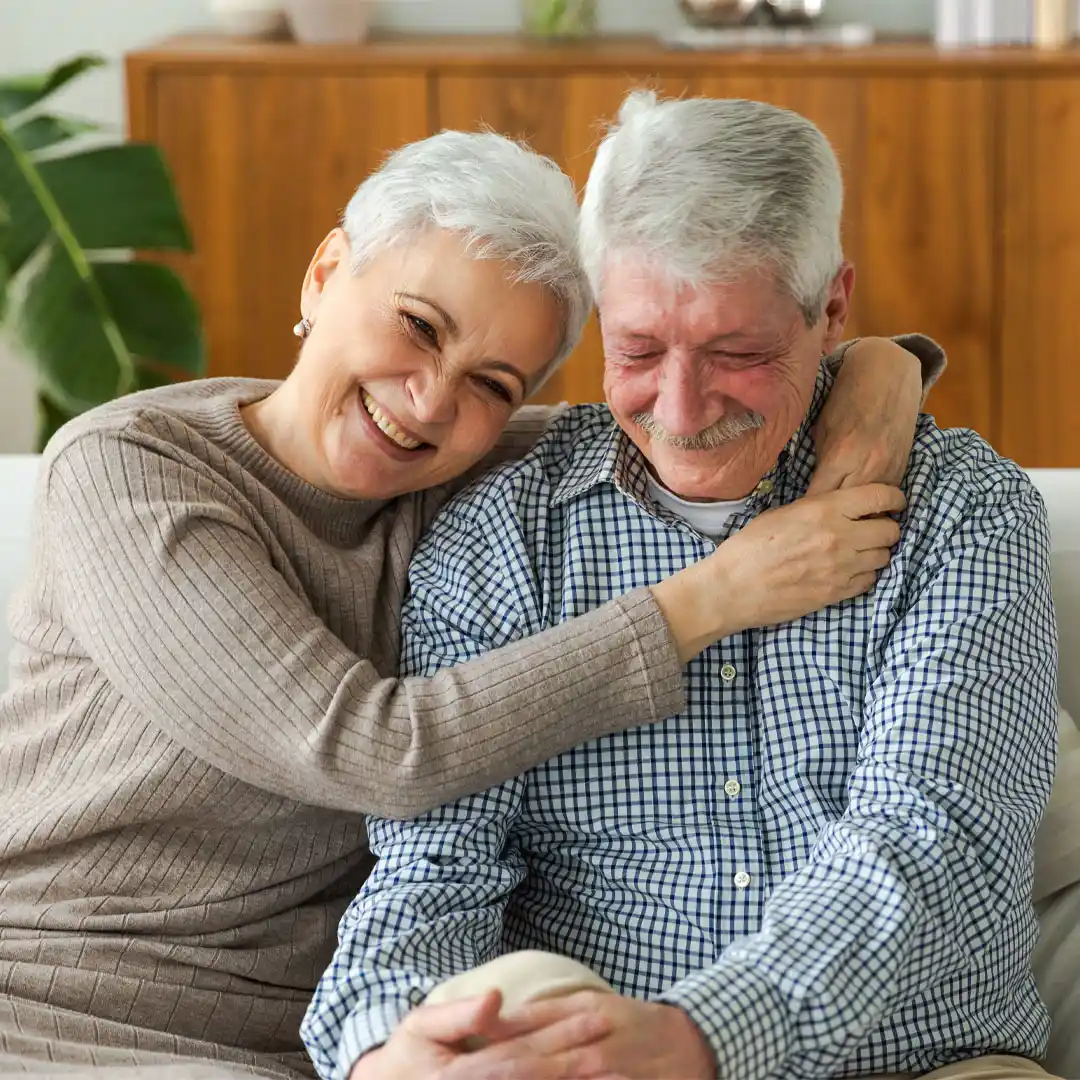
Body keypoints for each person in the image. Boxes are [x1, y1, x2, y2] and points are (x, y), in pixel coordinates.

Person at [0, 127, 936, 1079]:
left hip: (308, 1045)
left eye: (493, 383)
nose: (428, 401)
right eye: (418, 325)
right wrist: (713, 597)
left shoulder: (460, 481)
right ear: (326, 273)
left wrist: (879, 367)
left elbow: (684, 410)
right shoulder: (130, 471)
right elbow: (371, 747)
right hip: (61, 1010)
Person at [303, 96, 1059, 1080]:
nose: (680, 408)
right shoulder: (503, 538)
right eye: (638, 351)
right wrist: (379, 1046)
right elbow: (432, 871)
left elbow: (931, 839)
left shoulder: (963, 512)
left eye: (737, 355)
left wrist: (699, 1039)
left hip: (922, 1060)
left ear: (833, 308)